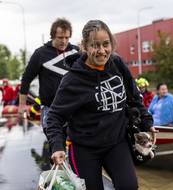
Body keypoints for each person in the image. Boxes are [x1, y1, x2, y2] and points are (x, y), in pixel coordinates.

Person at [46, 20, 158, 190]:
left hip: (116, 142)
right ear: (84, 46)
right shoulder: (72, 81)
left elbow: (134, 97)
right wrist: (57, 146)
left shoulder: (117, 64)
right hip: (84, 148)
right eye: (94, 45)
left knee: (129, 187)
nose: (102, 51)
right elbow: (54, 116)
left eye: (106, 44)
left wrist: (147, 122)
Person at [18, 18, 79, 133]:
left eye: (67, 38)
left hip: (74, 108)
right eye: (60, 38)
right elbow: (26, 79)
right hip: (50, 109)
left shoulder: (77, 52)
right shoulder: (40, 54)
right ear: (52, 36)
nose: (64, 41)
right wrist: (21, 105)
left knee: (75, 147)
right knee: (55, 146)